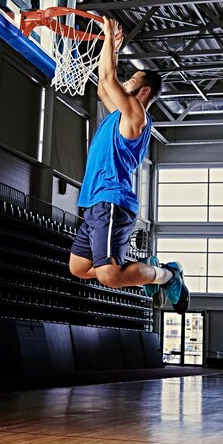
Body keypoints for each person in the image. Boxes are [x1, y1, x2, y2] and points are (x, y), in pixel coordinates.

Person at [69, 16, 189, 314]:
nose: (125, 83)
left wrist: (108, 34)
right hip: (96, 202)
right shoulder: (119, 116)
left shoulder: (137, 114)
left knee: (110, 276)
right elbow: (102, 88)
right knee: (79, 268)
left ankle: (168, 275)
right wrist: (114, 49)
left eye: (132, 80)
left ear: (144, 91)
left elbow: (109, 81)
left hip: (112, 200)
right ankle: (144, 270)